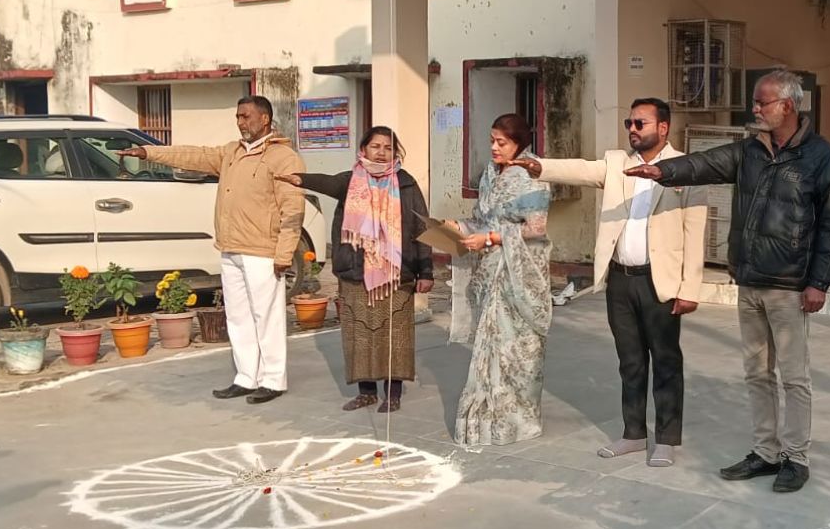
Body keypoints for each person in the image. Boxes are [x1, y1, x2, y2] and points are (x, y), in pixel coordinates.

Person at [624, 70, 830, 493]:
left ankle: (795, 459)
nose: (755, 109)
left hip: (790, 285)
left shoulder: (821, 156)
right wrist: (662, 171)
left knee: (794, 377)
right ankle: (765, 452)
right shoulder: (750, 151)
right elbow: (706, 163)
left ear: (787, 106)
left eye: (762, 102)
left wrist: (820, 281)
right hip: (749, 280)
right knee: (756, 374)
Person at [509, 98, 707, 468]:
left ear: (662, 128)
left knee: (665, 362)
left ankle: (666, 439)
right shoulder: (618, 164)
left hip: (660, 284)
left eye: (640, 123)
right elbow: (582, 169)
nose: (632, 129)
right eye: (629, 123)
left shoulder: (686, 169)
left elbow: (695, 233)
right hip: (620, 280)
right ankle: (633, 434)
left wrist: (689, 289)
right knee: (630, 361)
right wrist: (540, 167)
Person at [118, 95, 305, 404]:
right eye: (238, 116)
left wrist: (284, 254)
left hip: (263, 250)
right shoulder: (231, 152)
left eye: (246, 116)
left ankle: (273, 379)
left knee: (266, 316)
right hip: (231, 247)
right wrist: (148, 152)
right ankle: (247, 376)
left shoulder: (284, 158)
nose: (240, 122)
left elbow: (293, 208)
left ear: (265, 120)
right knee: (238, 316)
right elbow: (192, 156)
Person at [274, 126, 434, 413]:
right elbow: (327, 182)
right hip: (355, 272)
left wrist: (426, 272)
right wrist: (299, 179)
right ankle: (366, 392)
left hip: (396, 274)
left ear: (395, 152)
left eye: (387, 147)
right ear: (364, 149)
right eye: (375, 146)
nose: (381, 152)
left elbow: (422, 228)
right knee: (359, 335)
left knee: (393, 336)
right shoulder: (351, 182)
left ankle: (392, 393)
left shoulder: (406, 184)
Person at [450, 114, 552, 446]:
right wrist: (459, 228)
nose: (494, 147)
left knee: (518, 350)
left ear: (519, 143)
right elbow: (481, 219)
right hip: (491, 270)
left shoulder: (532, 175)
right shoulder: (490, 175)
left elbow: (536, 229)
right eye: (492, 140)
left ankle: (519, 421)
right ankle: (486, 419)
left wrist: (492, 238)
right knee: (488, 345)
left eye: (502, 142)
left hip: (519, 272)